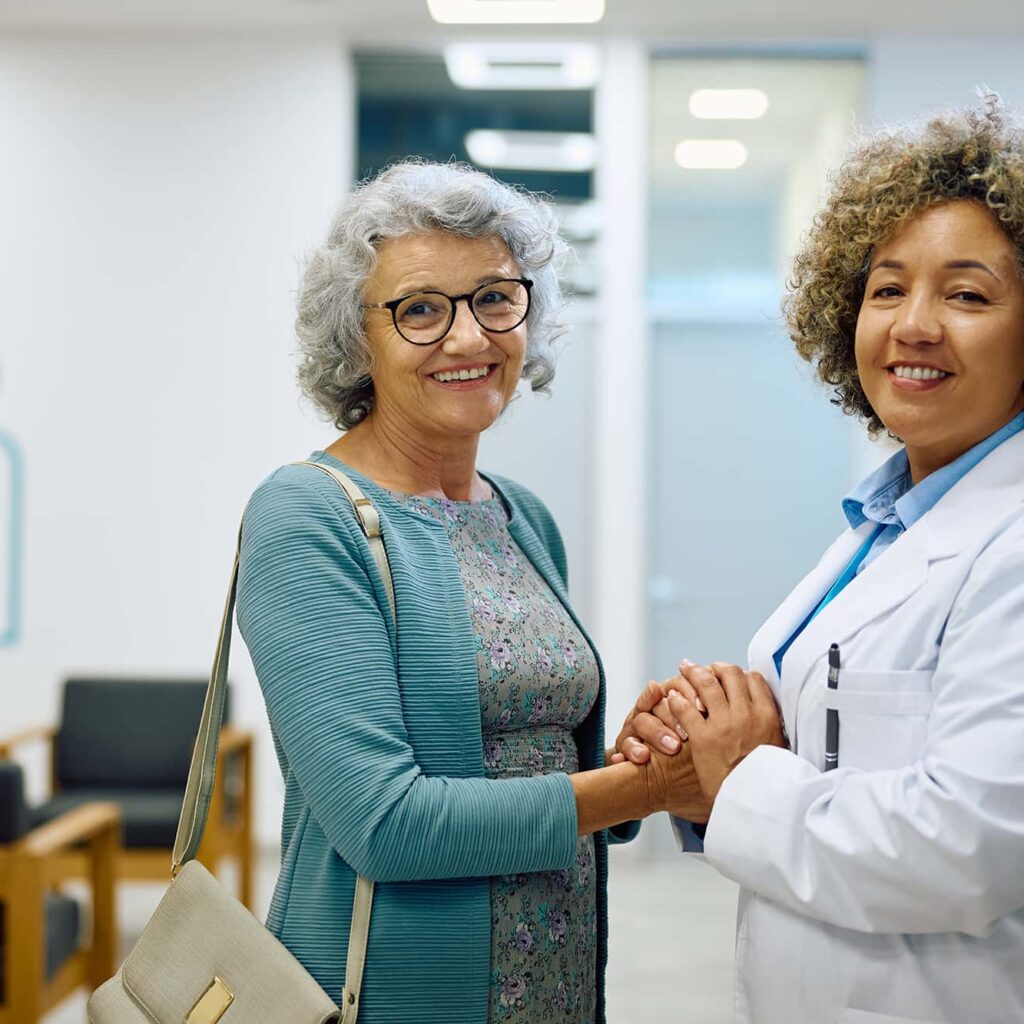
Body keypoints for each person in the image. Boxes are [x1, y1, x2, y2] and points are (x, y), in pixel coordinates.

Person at [236, 161, 703, 1024]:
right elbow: (385, 822)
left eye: (495, 297)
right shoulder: (308, 517)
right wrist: (651, 790)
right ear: (356, 339)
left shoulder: (522, 517)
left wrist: (630, 760)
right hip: (391, 995)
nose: (467, 338)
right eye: (419, 309)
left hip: (557, 987)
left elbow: (535, 770)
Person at [617, 98, 1024, 1024]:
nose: (914, 325)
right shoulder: (884, 523)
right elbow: (828, 749)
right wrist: (698, 753)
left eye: (966, 294)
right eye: (887, 288)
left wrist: (744, 773)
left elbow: (970, 848)